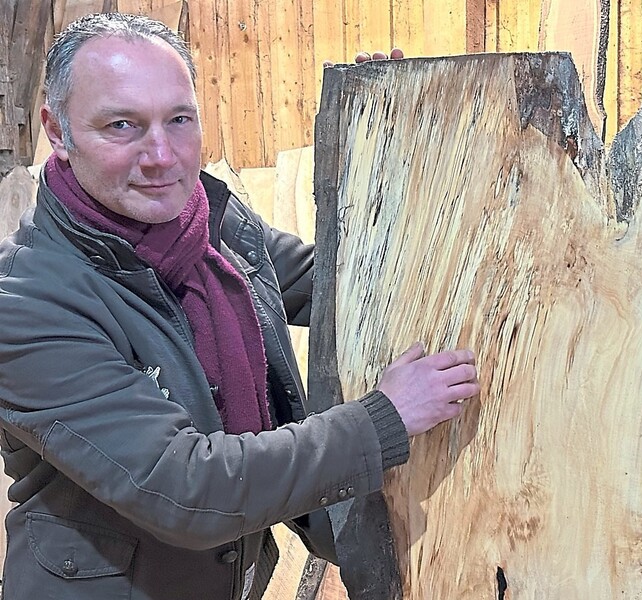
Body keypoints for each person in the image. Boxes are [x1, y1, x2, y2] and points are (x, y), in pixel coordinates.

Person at [0, 12, 479, 600]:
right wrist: (384, 419)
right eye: (122, 125)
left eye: (179, 120)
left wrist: (391, 135)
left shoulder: (209, 228)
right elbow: (187, 487)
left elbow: (337, 279)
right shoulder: (26, 306)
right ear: (57, 131)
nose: (162, 155)